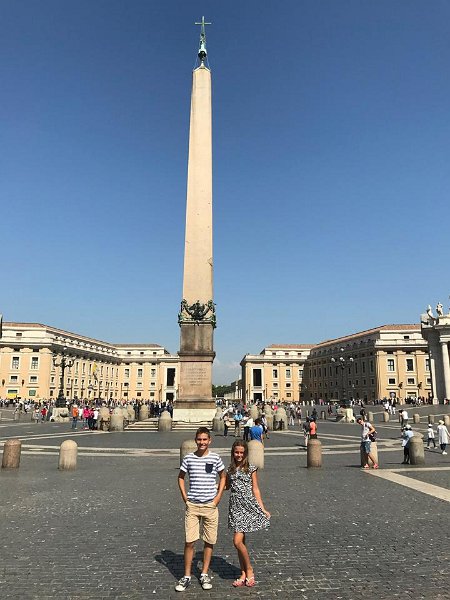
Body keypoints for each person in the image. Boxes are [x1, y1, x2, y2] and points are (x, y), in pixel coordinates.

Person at [175, 427, 226, 592]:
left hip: (210, 505)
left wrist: (218, 498)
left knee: (209, 541)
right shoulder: (189, 458)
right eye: (199, 439)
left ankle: (204, 573)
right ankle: (187, 575)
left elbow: (223, 476)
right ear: (195, 440)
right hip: (193, 505)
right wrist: (185, 497)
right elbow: (180, 477)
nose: (202, 442)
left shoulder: (215, 458)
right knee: (190, 541)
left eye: (205, 439)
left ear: (209, 440)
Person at [226, 440, 270, 588]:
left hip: (248, 505)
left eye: (241, 452)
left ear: (245, 453)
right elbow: (226, 486)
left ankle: (249, 569)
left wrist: (262, 508)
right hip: (235, 507)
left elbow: (255, 489)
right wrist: (212, 486)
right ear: (233, 452)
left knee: (237, 541)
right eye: (236, 452)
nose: (239, 455)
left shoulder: (251, 468)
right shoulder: (230, 469)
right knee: (241, 543)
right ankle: (243, 573)